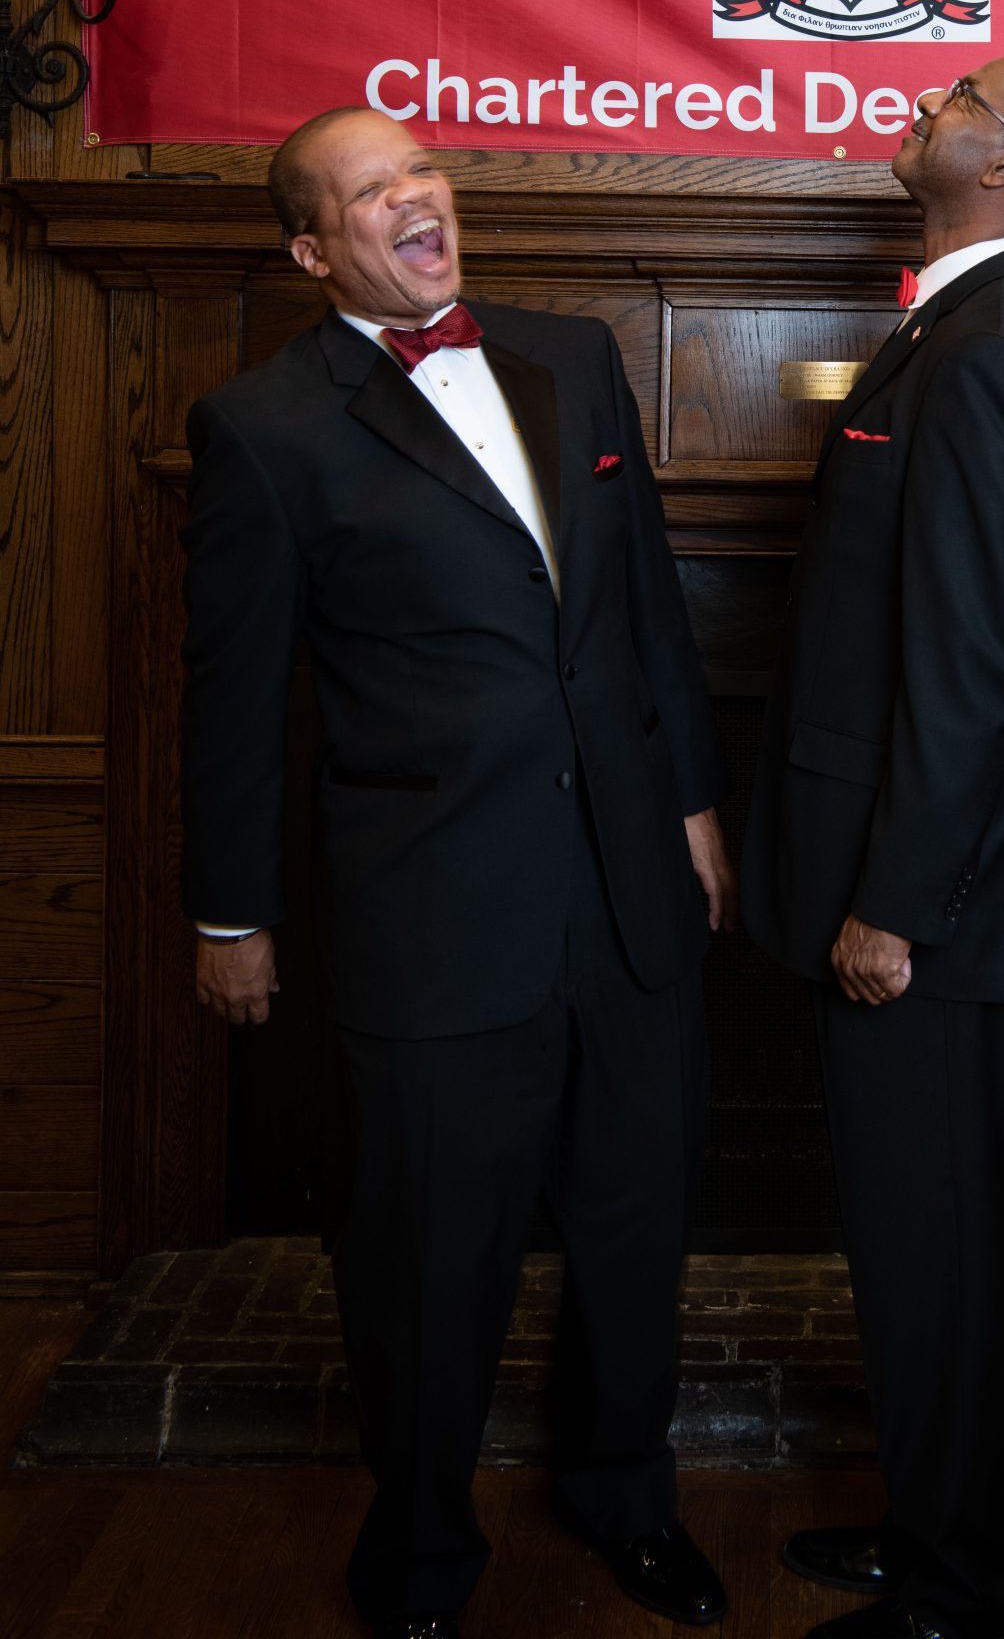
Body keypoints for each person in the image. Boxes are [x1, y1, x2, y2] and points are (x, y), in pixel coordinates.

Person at [180, 106, 735, 1639]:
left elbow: (645, 609)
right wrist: (230, 911)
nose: (417, 195)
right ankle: (420, 1557)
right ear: (314, 252)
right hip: (432, 914)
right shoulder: (263, 426)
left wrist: (692, 808)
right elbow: (231, 698)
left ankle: (626, 1500)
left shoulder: (576, 356)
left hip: (627, 889)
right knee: (428, 1258)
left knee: (633, 1226)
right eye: (372, 190)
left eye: (422, 168)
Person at [745, 57, 1004, 1639]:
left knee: (941, 1252)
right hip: (919, 883)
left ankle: (977, 1588)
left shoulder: (999, 344)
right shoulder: (958, 326)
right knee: (921, 1248)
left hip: (933, 912)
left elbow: (971, 668)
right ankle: (939, 1528)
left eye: (963, 93)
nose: (929, 101)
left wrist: (895, 905)